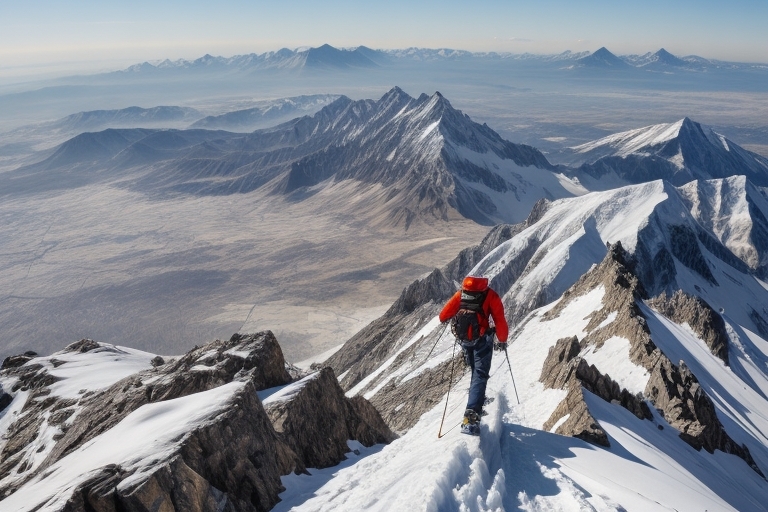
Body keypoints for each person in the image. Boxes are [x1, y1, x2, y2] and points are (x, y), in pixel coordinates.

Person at [439, 275, 508, 434]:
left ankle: (477, 399)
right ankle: (470, 419)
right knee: (480, 374)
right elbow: (499, 320)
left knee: (475, 372)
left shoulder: (461, 294)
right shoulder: (490, 295)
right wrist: (502, 340)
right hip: (482, 340)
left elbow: (443, 316)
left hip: (464, 341)